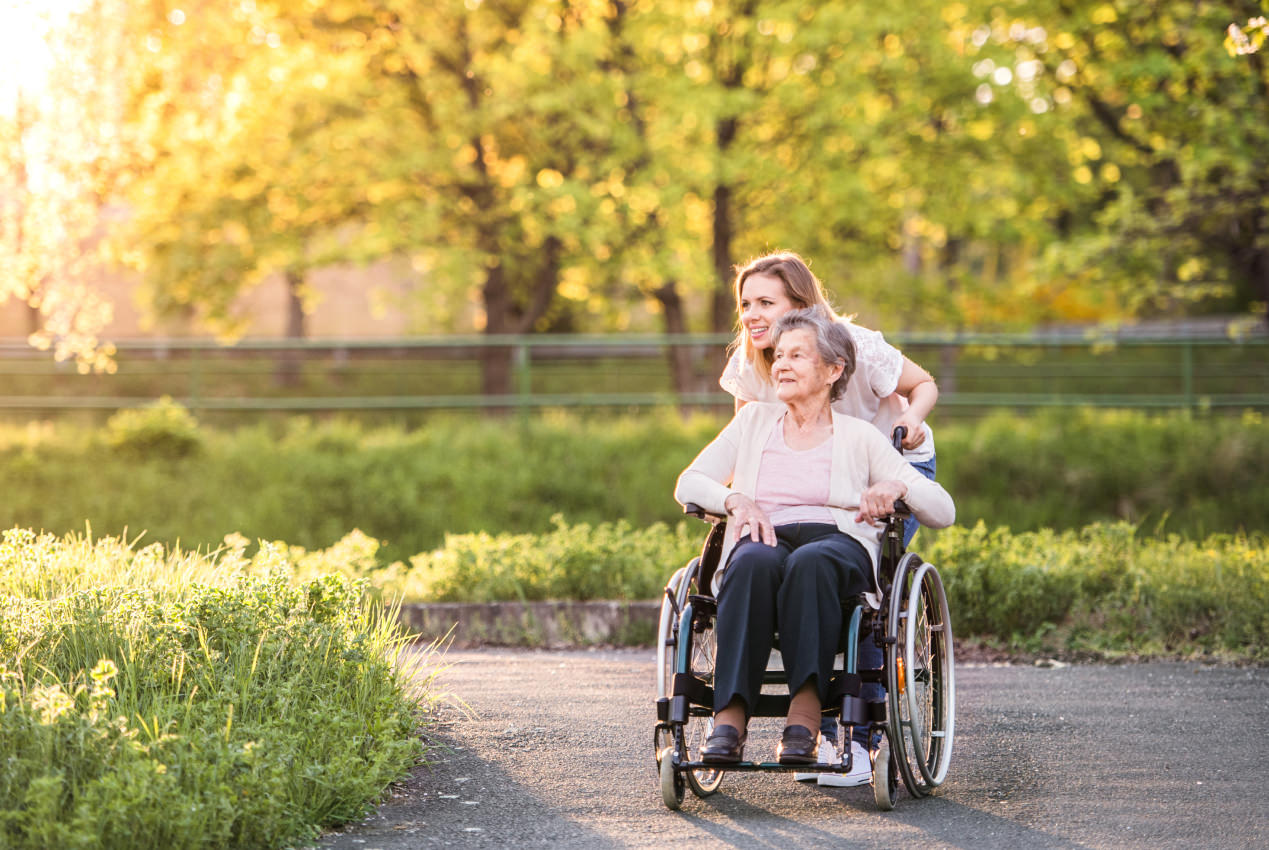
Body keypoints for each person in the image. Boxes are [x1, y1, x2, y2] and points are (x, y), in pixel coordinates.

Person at [674, 307, 955, 777]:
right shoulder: (753, 423)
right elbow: (689, 482)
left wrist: (899, 487)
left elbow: (943, 509)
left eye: (797, 356)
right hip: (764, 533)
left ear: (832, 370)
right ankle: (730, 719)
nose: (780, 364)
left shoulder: (861, 437)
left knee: (811, 562)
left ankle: (804, 716)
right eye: (778, 355)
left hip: (836, 543)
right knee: (750, 564)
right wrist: (736, 499)